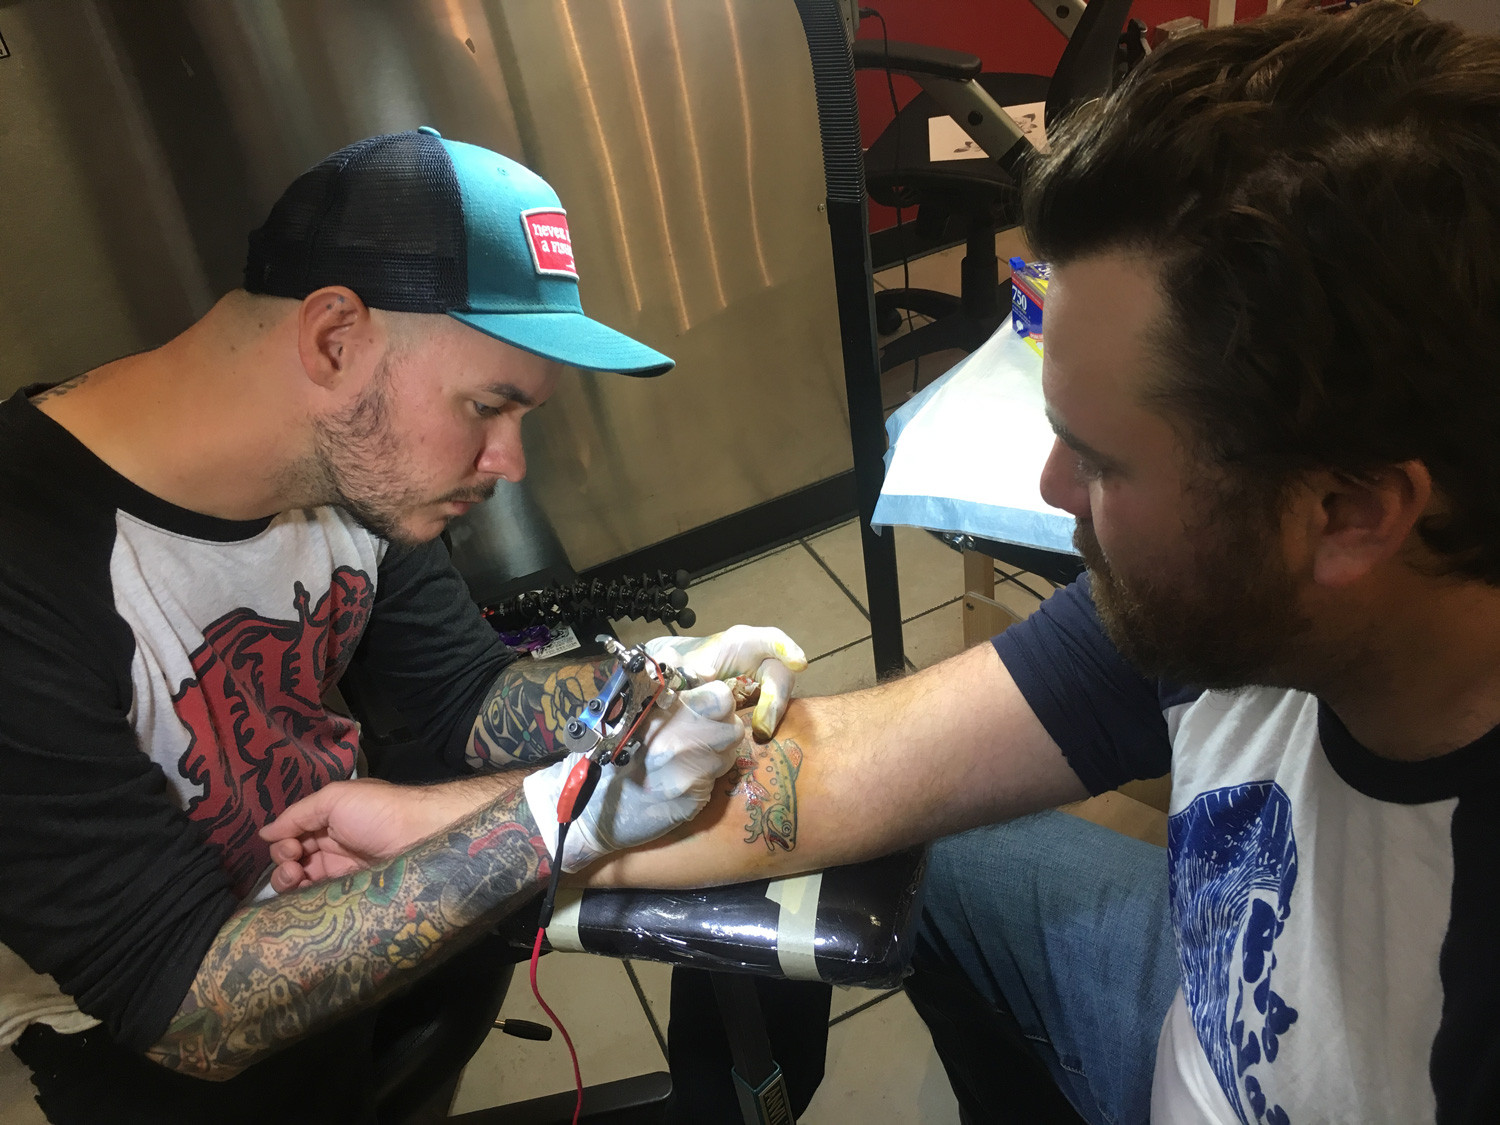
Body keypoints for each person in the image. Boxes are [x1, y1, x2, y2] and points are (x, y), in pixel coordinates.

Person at [266, 5, 1500, 1122]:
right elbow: (847, 773)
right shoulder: (1223, 605)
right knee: (909, 836)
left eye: (1105, 464)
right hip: (1198, 1007)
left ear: (1348, 514)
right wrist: (436, 822)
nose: (1050, 495)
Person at [0, 127, 809, 1124]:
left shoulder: (348, 467)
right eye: (488, 405)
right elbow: (184, 1003)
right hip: (174, 1040)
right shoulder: (29, 571)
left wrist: (652, 682)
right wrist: (561, 816)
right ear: (336, 339)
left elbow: (459, 696)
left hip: (369, 878)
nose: (510, 460)